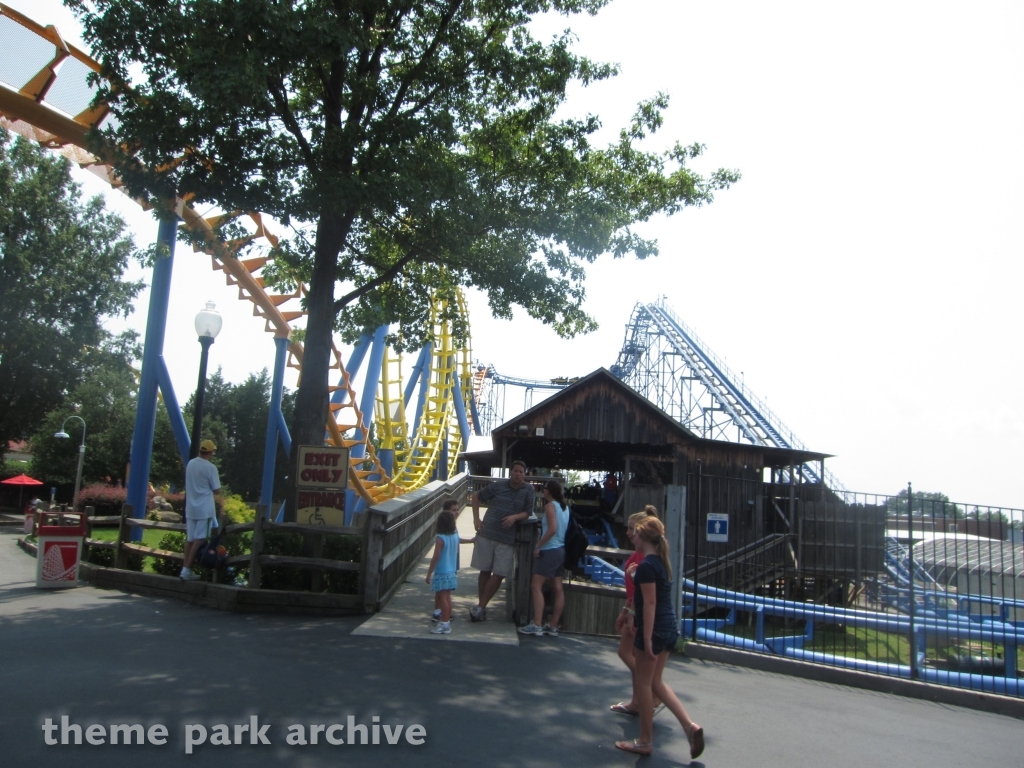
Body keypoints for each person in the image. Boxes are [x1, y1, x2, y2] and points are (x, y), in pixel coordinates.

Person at [615, 517, 704, 759]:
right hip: (668, 627)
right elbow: (649, 597)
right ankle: (689, 727)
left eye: (635, 534)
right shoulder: (659, 564)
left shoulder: (646, 566)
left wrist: (645, 635)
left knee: (644, 684)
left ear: (643, 537)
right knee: (656, 682)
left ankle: (645, 740)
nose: (631, 536)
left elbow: (650, 603)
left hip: (654, 630)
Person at [610, 505, 662, 715]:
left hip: (637, 611)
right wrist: (625, 609)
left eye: (632, 529)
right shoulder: (638, 554)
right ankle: (636, 700)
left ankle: (650, 689)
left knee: (626, 652)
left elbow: (642, 592)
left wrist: (630, 613)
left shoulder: (643, 558)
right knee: (630, 653)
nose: (628, 532)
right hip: (632, 608)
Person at [469, 460, 535, 621]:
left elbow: (528, 512)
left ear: (524, 474)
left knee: (499, 573)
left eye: (521, 472)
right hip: (487, 532)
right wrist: (476, 519)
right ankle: (481, 607)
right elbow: (476, 496)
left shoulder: (529, 490)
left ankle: (481, 606)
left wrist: (514, 517)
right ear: (510, 472)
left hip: (507, 538)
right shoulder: (498, 486)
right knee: (484, 571)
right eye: (516, 471)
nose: (518, 474)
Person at [519, 479, 569, 637]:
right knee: (558, 588)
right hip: (561, 549)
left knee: (536, 585)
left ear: (548, 491)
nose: (543, 490)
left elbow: (552, 529)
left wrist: (538, 545)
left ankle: (537, 624)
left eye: (544, 488)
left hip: (550, 549)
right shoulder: (565, 507)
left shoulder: (550, 506)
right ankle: (553, 625)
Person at [425, 506, 475, 634]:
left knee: (442, 598)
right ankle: (445, 620)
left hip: (442, 572)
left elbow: (436, 556)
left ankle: (444, 624)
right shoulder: (454, 536)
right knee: (447, 598)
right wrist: (471, 541)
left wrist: (429, 573)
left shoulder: (440, 538)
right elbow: (459, 540)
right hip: (451, 571)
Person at [179, 439, 221, 581]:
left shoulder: (191, 463)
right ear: (210, 452)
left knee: (190, 539)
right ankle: (187, 569)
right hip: (205, 508)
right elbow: (217, 490)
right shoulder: (210, 468)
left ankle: (184, 568)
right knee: (200, 538)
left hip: (191, 507)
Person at [432, 498, 462, 623]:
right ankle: (439, 612)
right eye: (453, 510)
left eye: (457, 509)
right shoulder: (446, 530)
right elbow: (436, 555)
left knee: (445, 593)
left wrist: (472, 540)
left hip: (451, 563)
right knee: (442, 593)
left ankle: (444, 615)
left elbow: (457, 539)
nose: (456, 512)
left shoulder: (452, 528)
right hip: (447, 565)